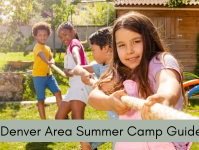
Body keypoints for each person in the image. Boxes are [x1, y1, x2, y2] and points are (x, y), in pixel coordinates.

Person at [88, 12, 192, 150]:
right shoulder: (121, 71)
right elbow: (94, 97)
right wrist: (109, 102)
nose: (129, 50)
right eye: (121, 45)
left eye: (136, 41)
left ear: (149, 39)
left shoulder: (161, 61)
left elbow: (168, 81)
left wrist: (165, 99)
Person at [73, 27, 117, 150]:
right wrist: (83, 73)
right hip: (113, 123)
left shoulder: (119, 68)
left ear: (106, 48)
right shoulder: (100, 66)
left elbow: (104, 90)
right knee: (85, 141)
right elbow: (77, 68)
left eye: (93, 50)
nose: (91, 54)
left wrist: (93, 82)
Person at [55, 22, 90, 120]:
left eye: (65, 34)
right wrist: (67, 71)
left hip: (80, 84)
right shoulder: (68, 49)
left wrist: (78, 65)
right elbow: (71, 67)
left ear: (73, 32)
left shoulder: (74, 42)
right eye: (60, 37)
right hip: (73, 85)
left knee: (76, 118)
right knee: (59, 117)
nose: (63, 38)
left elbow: (75, 53)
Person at [32, 22, 63, 120]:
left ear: (48, 36)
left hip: (49, 76)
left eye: (45, 35)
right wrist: (48, 62)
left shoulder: (48, 48)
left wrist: (52, 62)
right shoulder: (37, 47)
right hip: (38, 77)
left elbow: (51, 58)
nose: (43, 37)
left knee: (58, 92)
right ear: (36, 36)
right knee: (41, 100)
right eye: (40, 35)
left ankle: (63, 116)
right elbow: (41, 56)